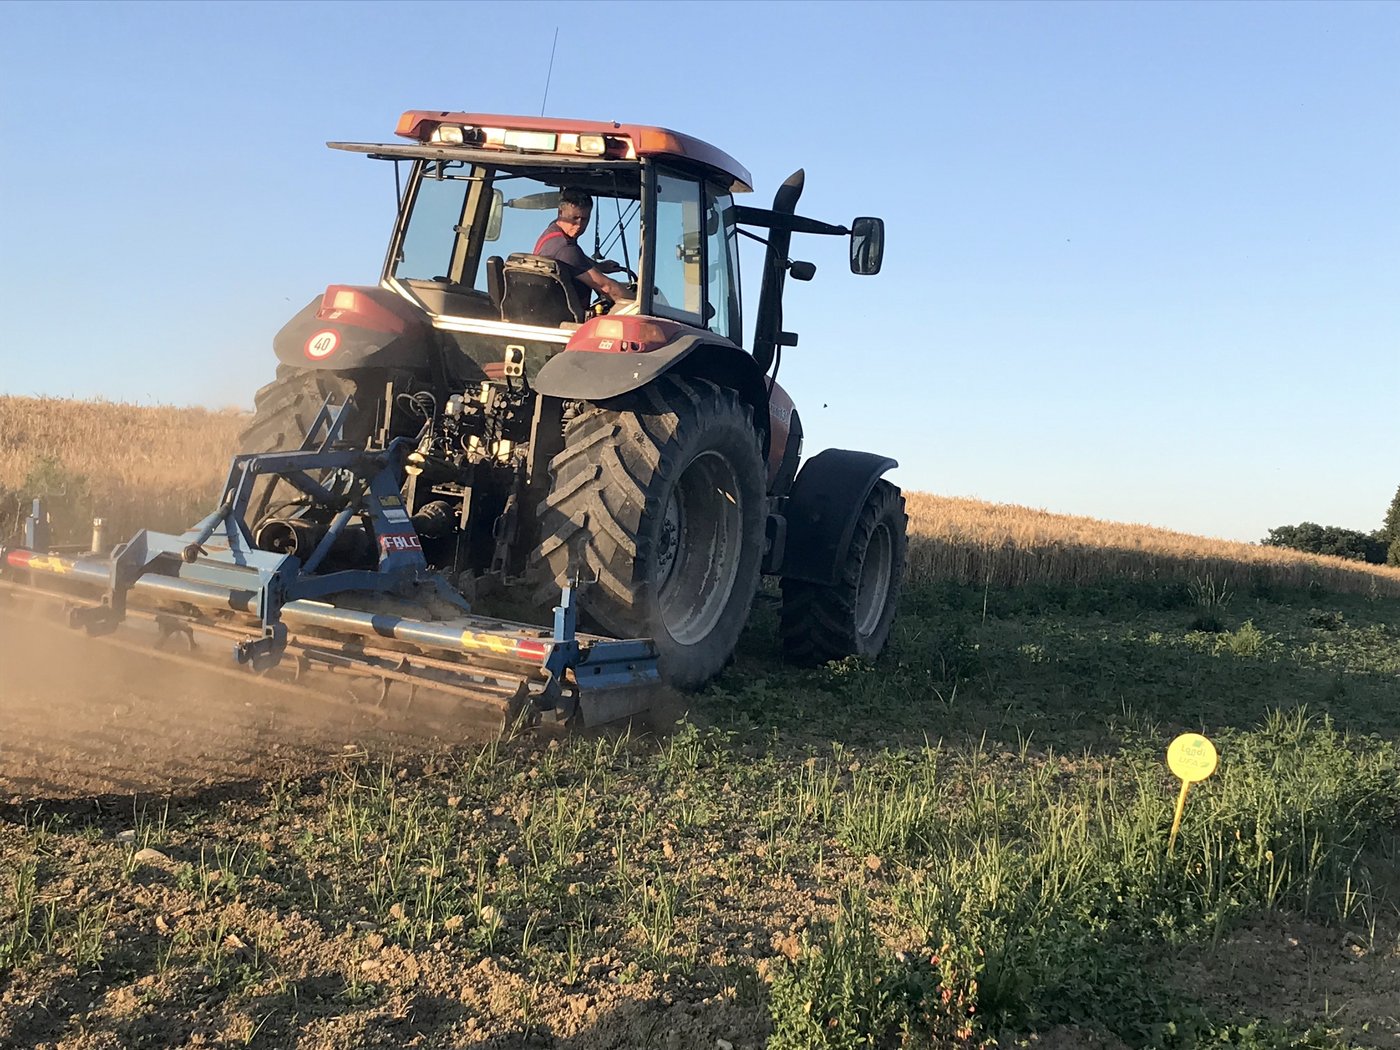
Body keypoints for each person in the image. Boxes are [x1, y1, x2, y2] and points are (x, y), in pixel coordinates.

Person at [533, 188, 633, 310]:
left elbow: (574, 260)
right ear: (560, 213)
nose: (579, 225)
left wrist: (598, 267)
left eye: (584, 219)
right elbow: (607, 288)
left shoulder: (552, 233)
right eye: (574, 218)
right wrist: (639, 303)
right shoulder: (565, 249)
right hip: (568, 320)